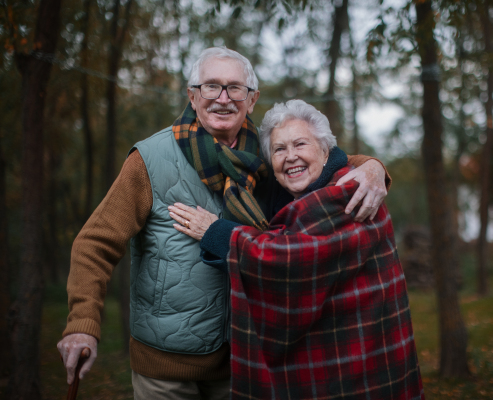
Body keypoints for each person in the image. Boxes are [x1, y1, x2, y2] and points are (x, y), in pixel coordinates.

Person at [56, 47, 390, 399]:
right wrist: (82, 324)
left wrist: (372, 166)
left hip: (244, 360)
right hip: (165, 368)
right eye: (211, 86)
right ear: (193, 95)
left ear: (252, 99)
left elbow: (321, 158)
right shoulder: (150, 158)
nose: (223, 98)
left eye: (235, 88)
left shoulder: (268, 155)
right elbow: (96, 243)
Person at [169, 100, 424, 399]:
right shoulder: (294, 194)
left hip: (357, 366)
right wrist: (374, 163)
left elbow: (285, 258)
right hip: (333, 361)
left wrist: (213, 231)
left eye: (300, 144)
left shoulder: (347, 193)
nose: (290, 157)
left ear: (325, 150)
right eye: (279, 149)